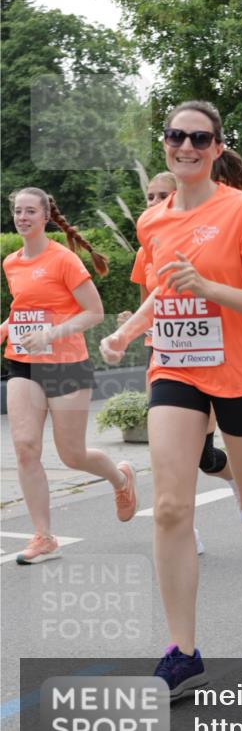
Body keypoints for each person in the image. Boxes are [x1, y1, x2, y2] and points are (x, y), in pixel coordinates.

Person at [100, 100, 242, 697]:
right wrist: (125, 333)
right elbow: (162, 292)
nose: (185, 146)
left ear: (217, 147)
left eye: (199, 138)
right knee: (169, 507)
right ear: (163, 143)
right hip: (177, 369)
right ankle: (182, 650)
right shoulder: (153, 221)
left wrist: (210, 285)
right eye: (175, 136)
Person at [2, 188, 137, 564]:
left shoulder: (63, 259)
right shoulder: (12, 262)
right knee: (25, 448)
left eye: (30, 211)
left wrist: (52, 334)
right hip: (25, 362)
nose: (22, 217)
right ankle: (43, 537)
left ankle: (120, 477)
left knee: (72, 455)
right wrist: (5, 328)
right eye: (17, 211)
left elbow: (94, 312)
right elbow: (24, 311)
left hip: (66, 364)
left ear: (46, 216)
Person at [119, 172, 242, 553]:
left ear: (178, 196)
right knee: (167, 449)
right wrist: (129, 328)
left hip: (208, 355)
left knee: (203, 456)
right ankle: (184, 526)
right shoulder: (146, 249)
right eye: (149, 196)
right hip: (163, 355)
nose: (154, 201)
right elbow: (149, 302)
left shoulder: (205, 239)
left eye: (162, 195)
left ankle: (238, 482)